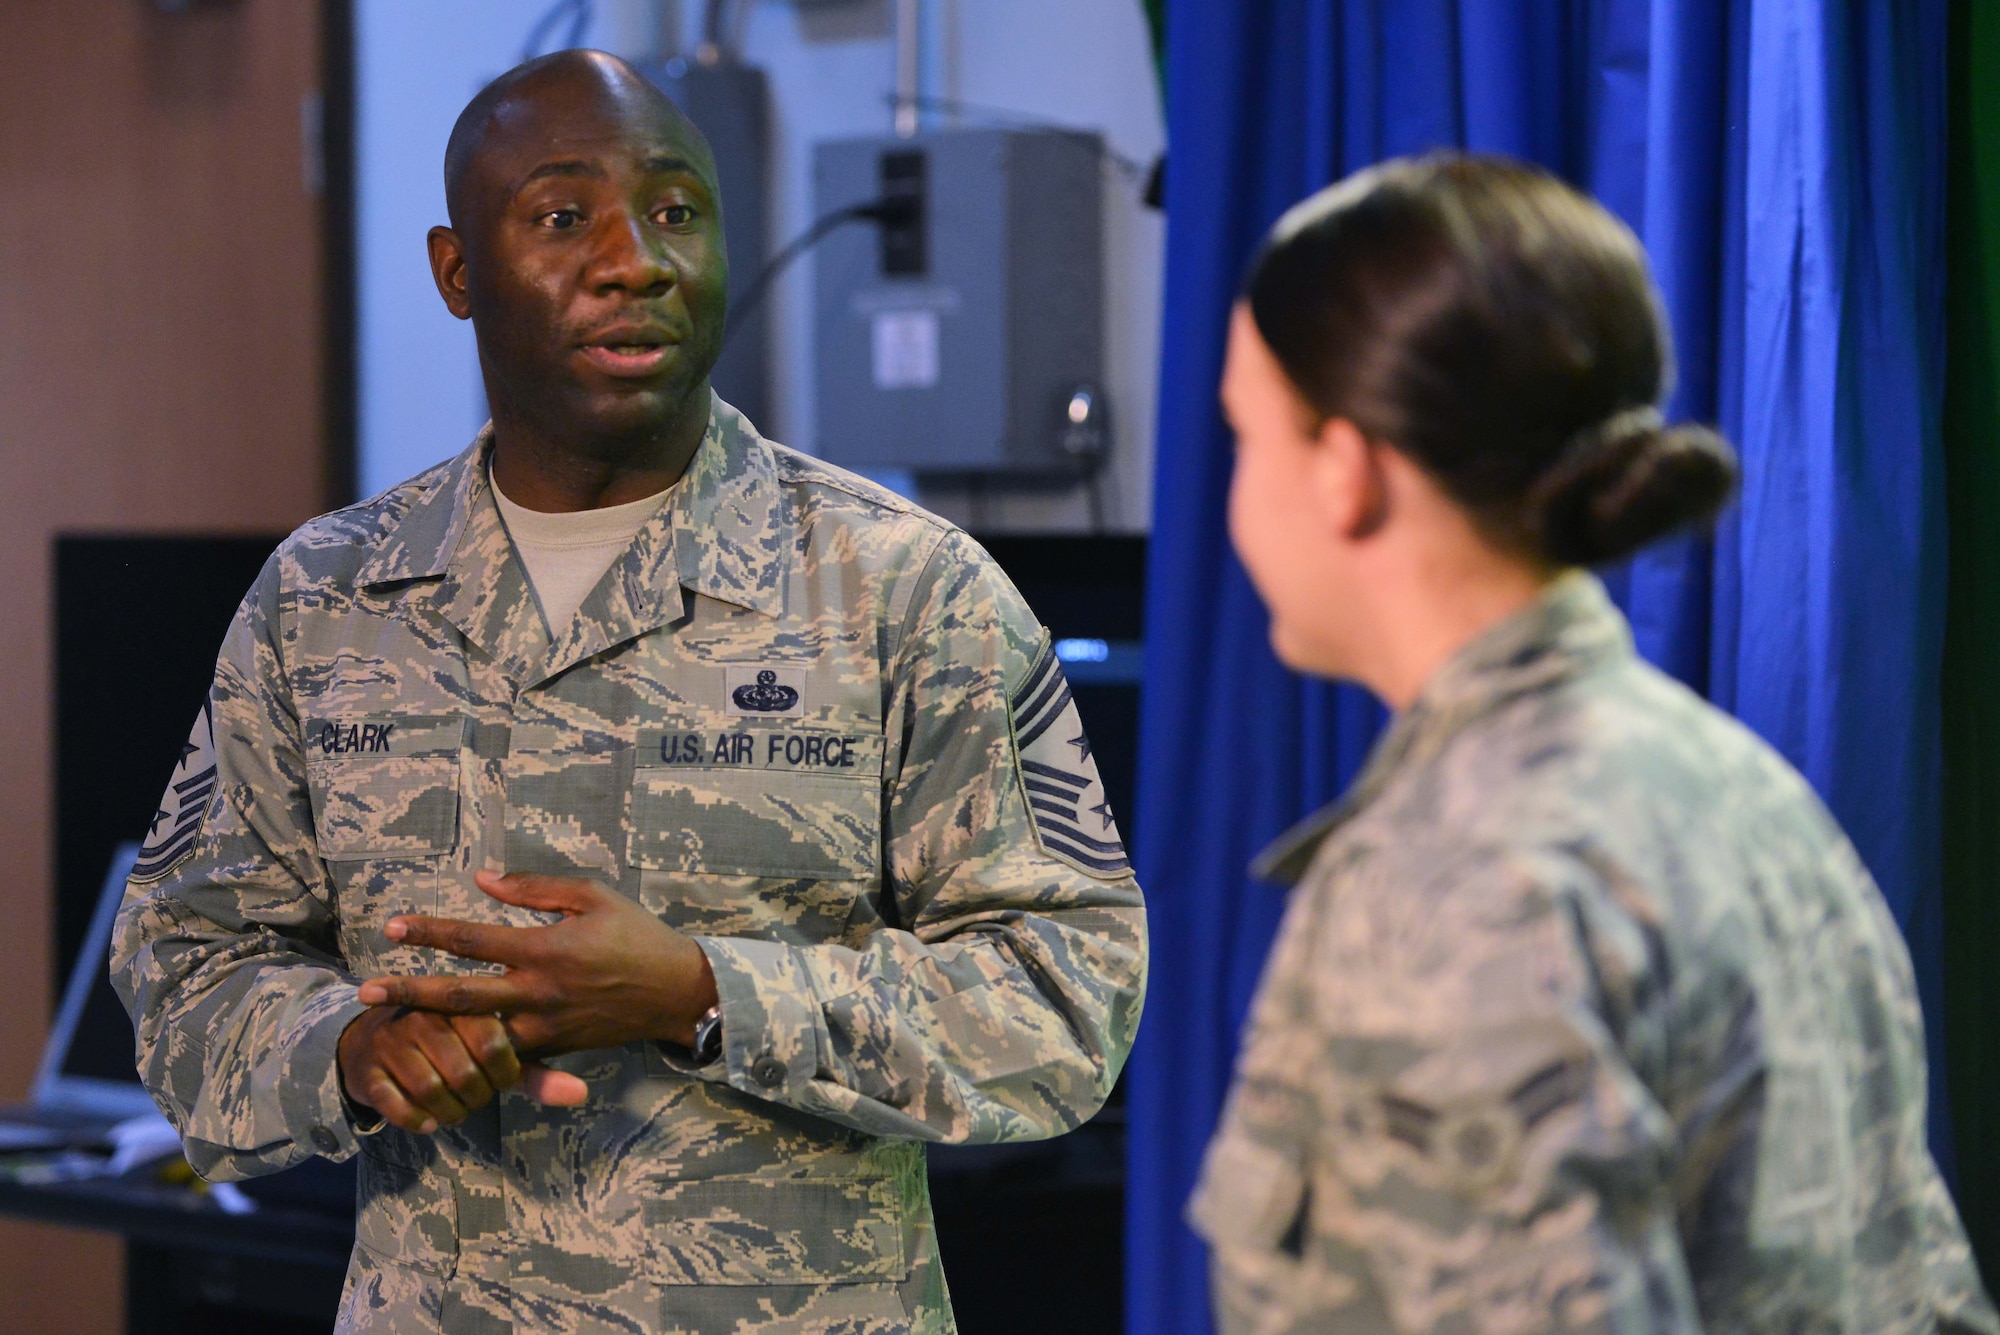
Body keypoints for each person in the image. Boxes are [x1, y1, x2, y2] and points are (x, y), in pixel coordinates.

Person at [110, 49, 1145, 1334]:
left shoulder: (901, 590)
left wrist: (708, 993)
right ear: (454, 272)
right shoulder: (327, 599)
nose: (636, 260)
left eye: (675, 210)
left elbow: (1066, 996)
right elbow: (182, 957)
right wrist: (345, 1049)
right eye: (561, 217)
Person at [1191, 153, 1995, 1334]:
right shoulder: (1727, 783)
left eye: (1242, 438)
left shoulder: (1463, 885)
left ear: (1344, 473)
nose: (1234, 495)